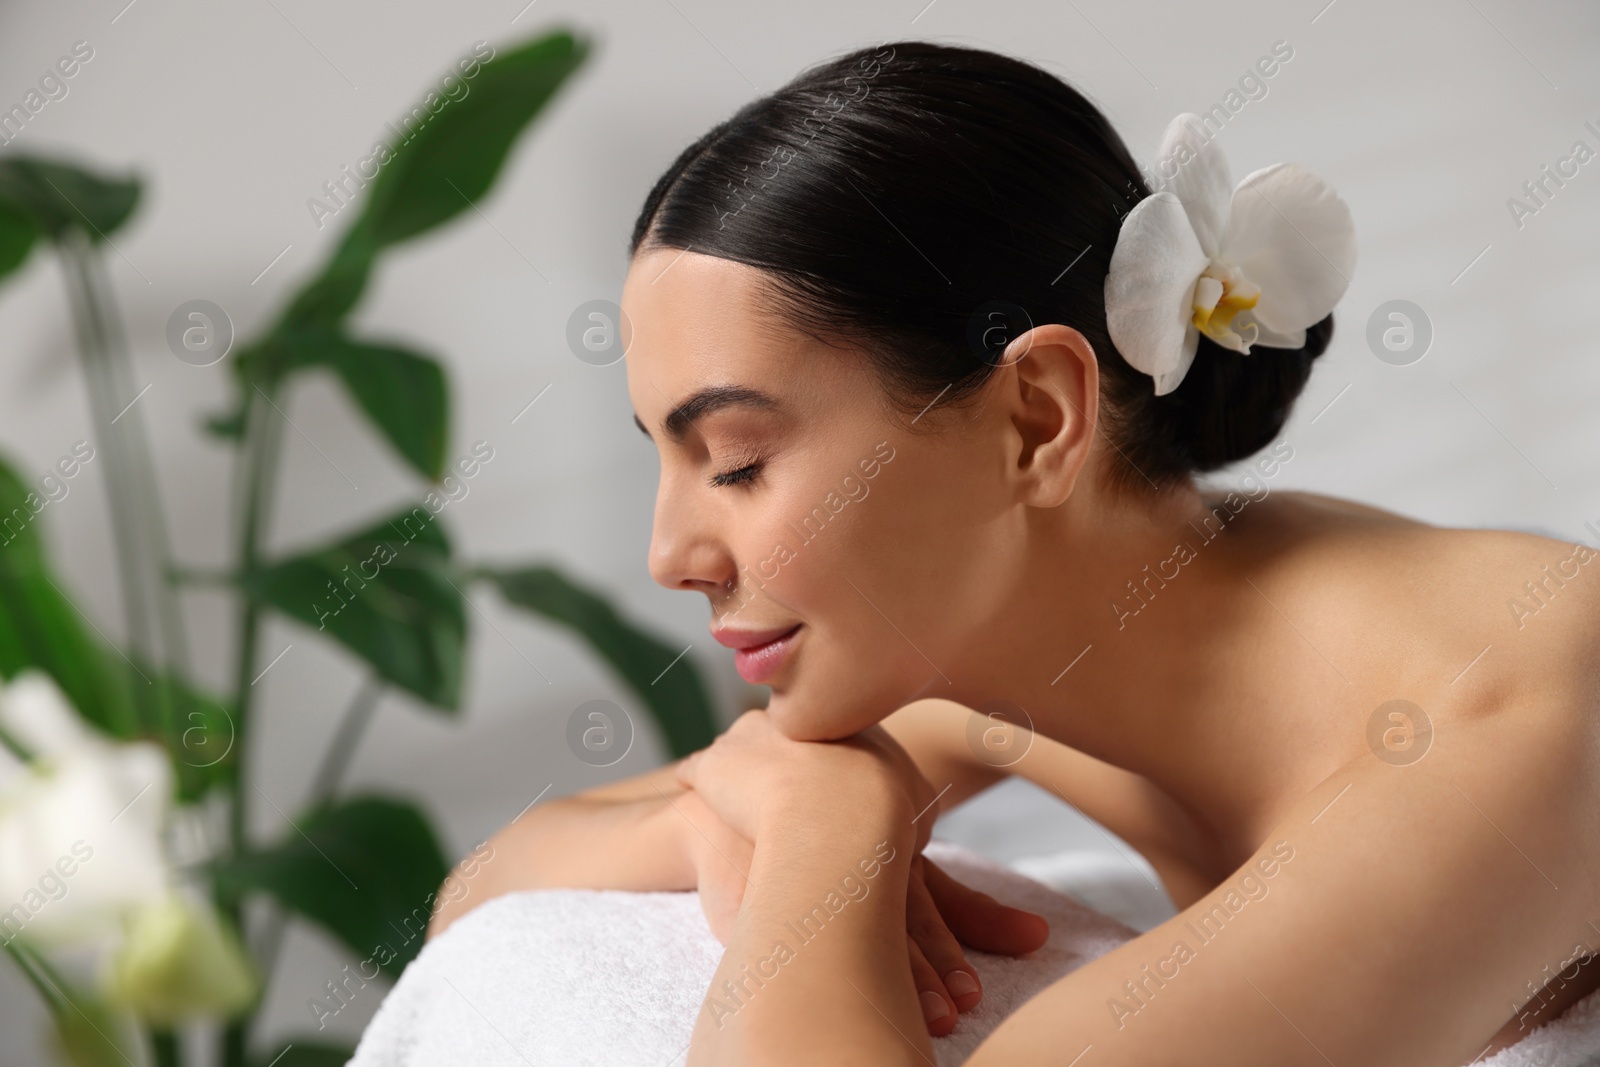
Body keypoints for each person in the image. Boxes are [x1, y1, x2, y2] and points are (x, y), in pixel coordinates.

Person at [429, 40, 1600, 1065]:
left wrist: (824, 834)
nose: (670, 554)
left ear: (1036, 415)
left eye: (735, 461)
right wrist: (737, 808)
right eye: (667, 460)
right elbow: (479, 894)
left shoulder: (1520, 716)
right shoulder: (993, 673)